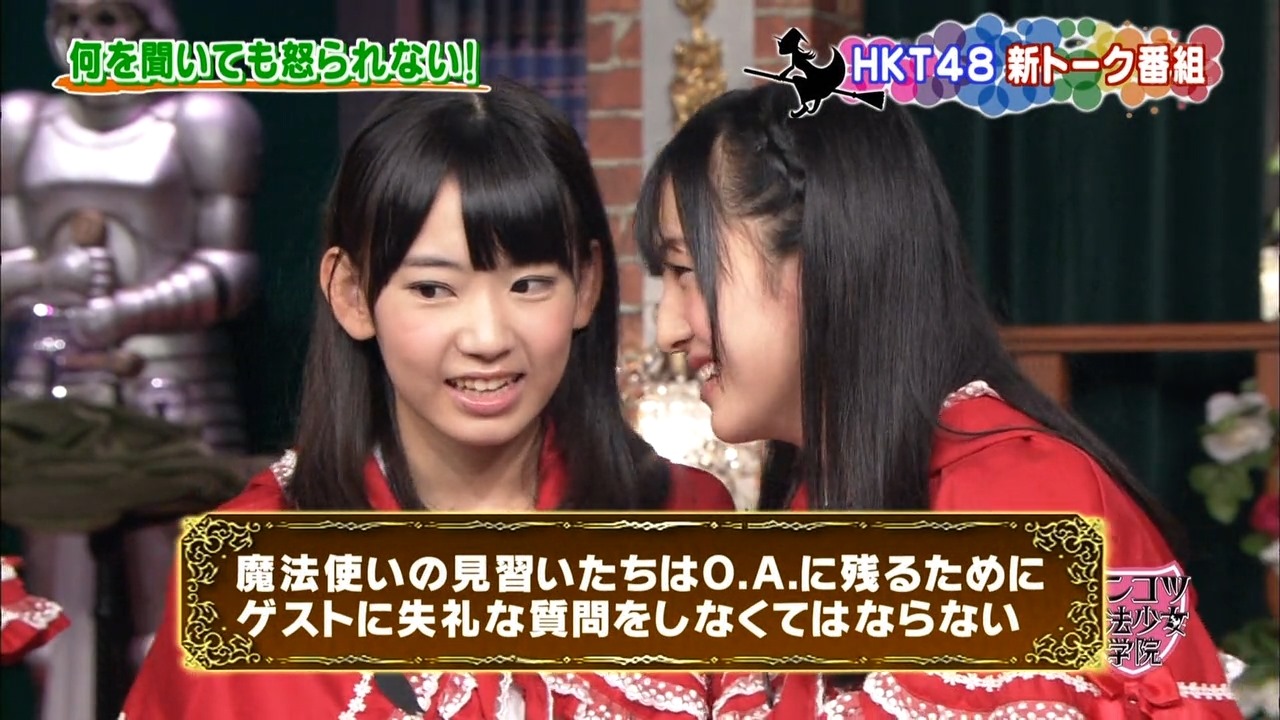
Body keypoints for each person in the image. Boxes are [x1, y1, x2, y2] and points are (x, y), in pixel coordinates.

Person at [121, 79, 734, 719]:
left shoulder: (689, 523)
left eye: (529, 285)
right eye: (433, 290)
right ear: (352, 294)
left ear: (586, 285)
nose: (488, 339)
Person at [637, 83, 1243, 718]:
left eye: (687, 271)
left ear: (822, 258)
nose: (668, 329)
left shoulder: (1023, 503)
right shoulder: (822, 495)